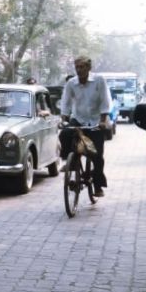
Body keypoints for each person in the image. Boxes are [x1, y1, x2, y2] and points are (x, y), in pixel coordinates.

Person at [59, 55, 112, 197]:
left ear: (89, 67)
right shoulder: (71, 83)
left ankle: (98, 185)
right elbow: (65, 102)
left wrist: (103, 120)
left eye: (82, 67)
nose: (79, 70)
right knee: (64, 133)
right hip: (78, 119)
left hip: (95, 121)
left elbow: (105, 101)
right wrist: (64, 118)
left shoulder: (99, 80)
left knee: (97, 156)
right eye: (77, 67)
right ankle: (69, 161)